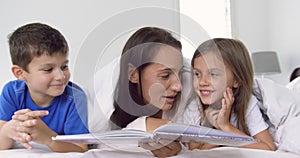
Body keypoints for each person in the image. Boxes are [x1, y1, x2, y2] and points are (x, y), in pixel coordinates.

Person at [88, 27, 185, 157]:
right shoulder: (107, 101)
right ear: (133, 74)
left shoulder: (188, 98)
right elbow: (101, 147)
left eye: (181, 73)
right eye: (165, 76)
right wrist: (143, 126)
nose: (178, 87)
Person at [0, 23, 89, 152]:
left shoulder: (75, 98)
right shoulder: (12, 92)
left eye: (64, 67)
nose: (60, 76)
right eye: (48, 69)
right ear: (20, 73)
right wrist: (9, 130)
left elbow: (80, 149)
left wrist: (48, 138)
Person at [187, 38, 276, 150]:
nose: (202, 82)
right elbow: (194, 150)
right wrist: (219, 131)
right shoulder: (195, 106)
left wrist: (226, 126)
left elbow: (268, 148)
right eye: (197, 73)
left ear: (236, 80)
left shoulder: (248, 103)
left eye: (213, 74)